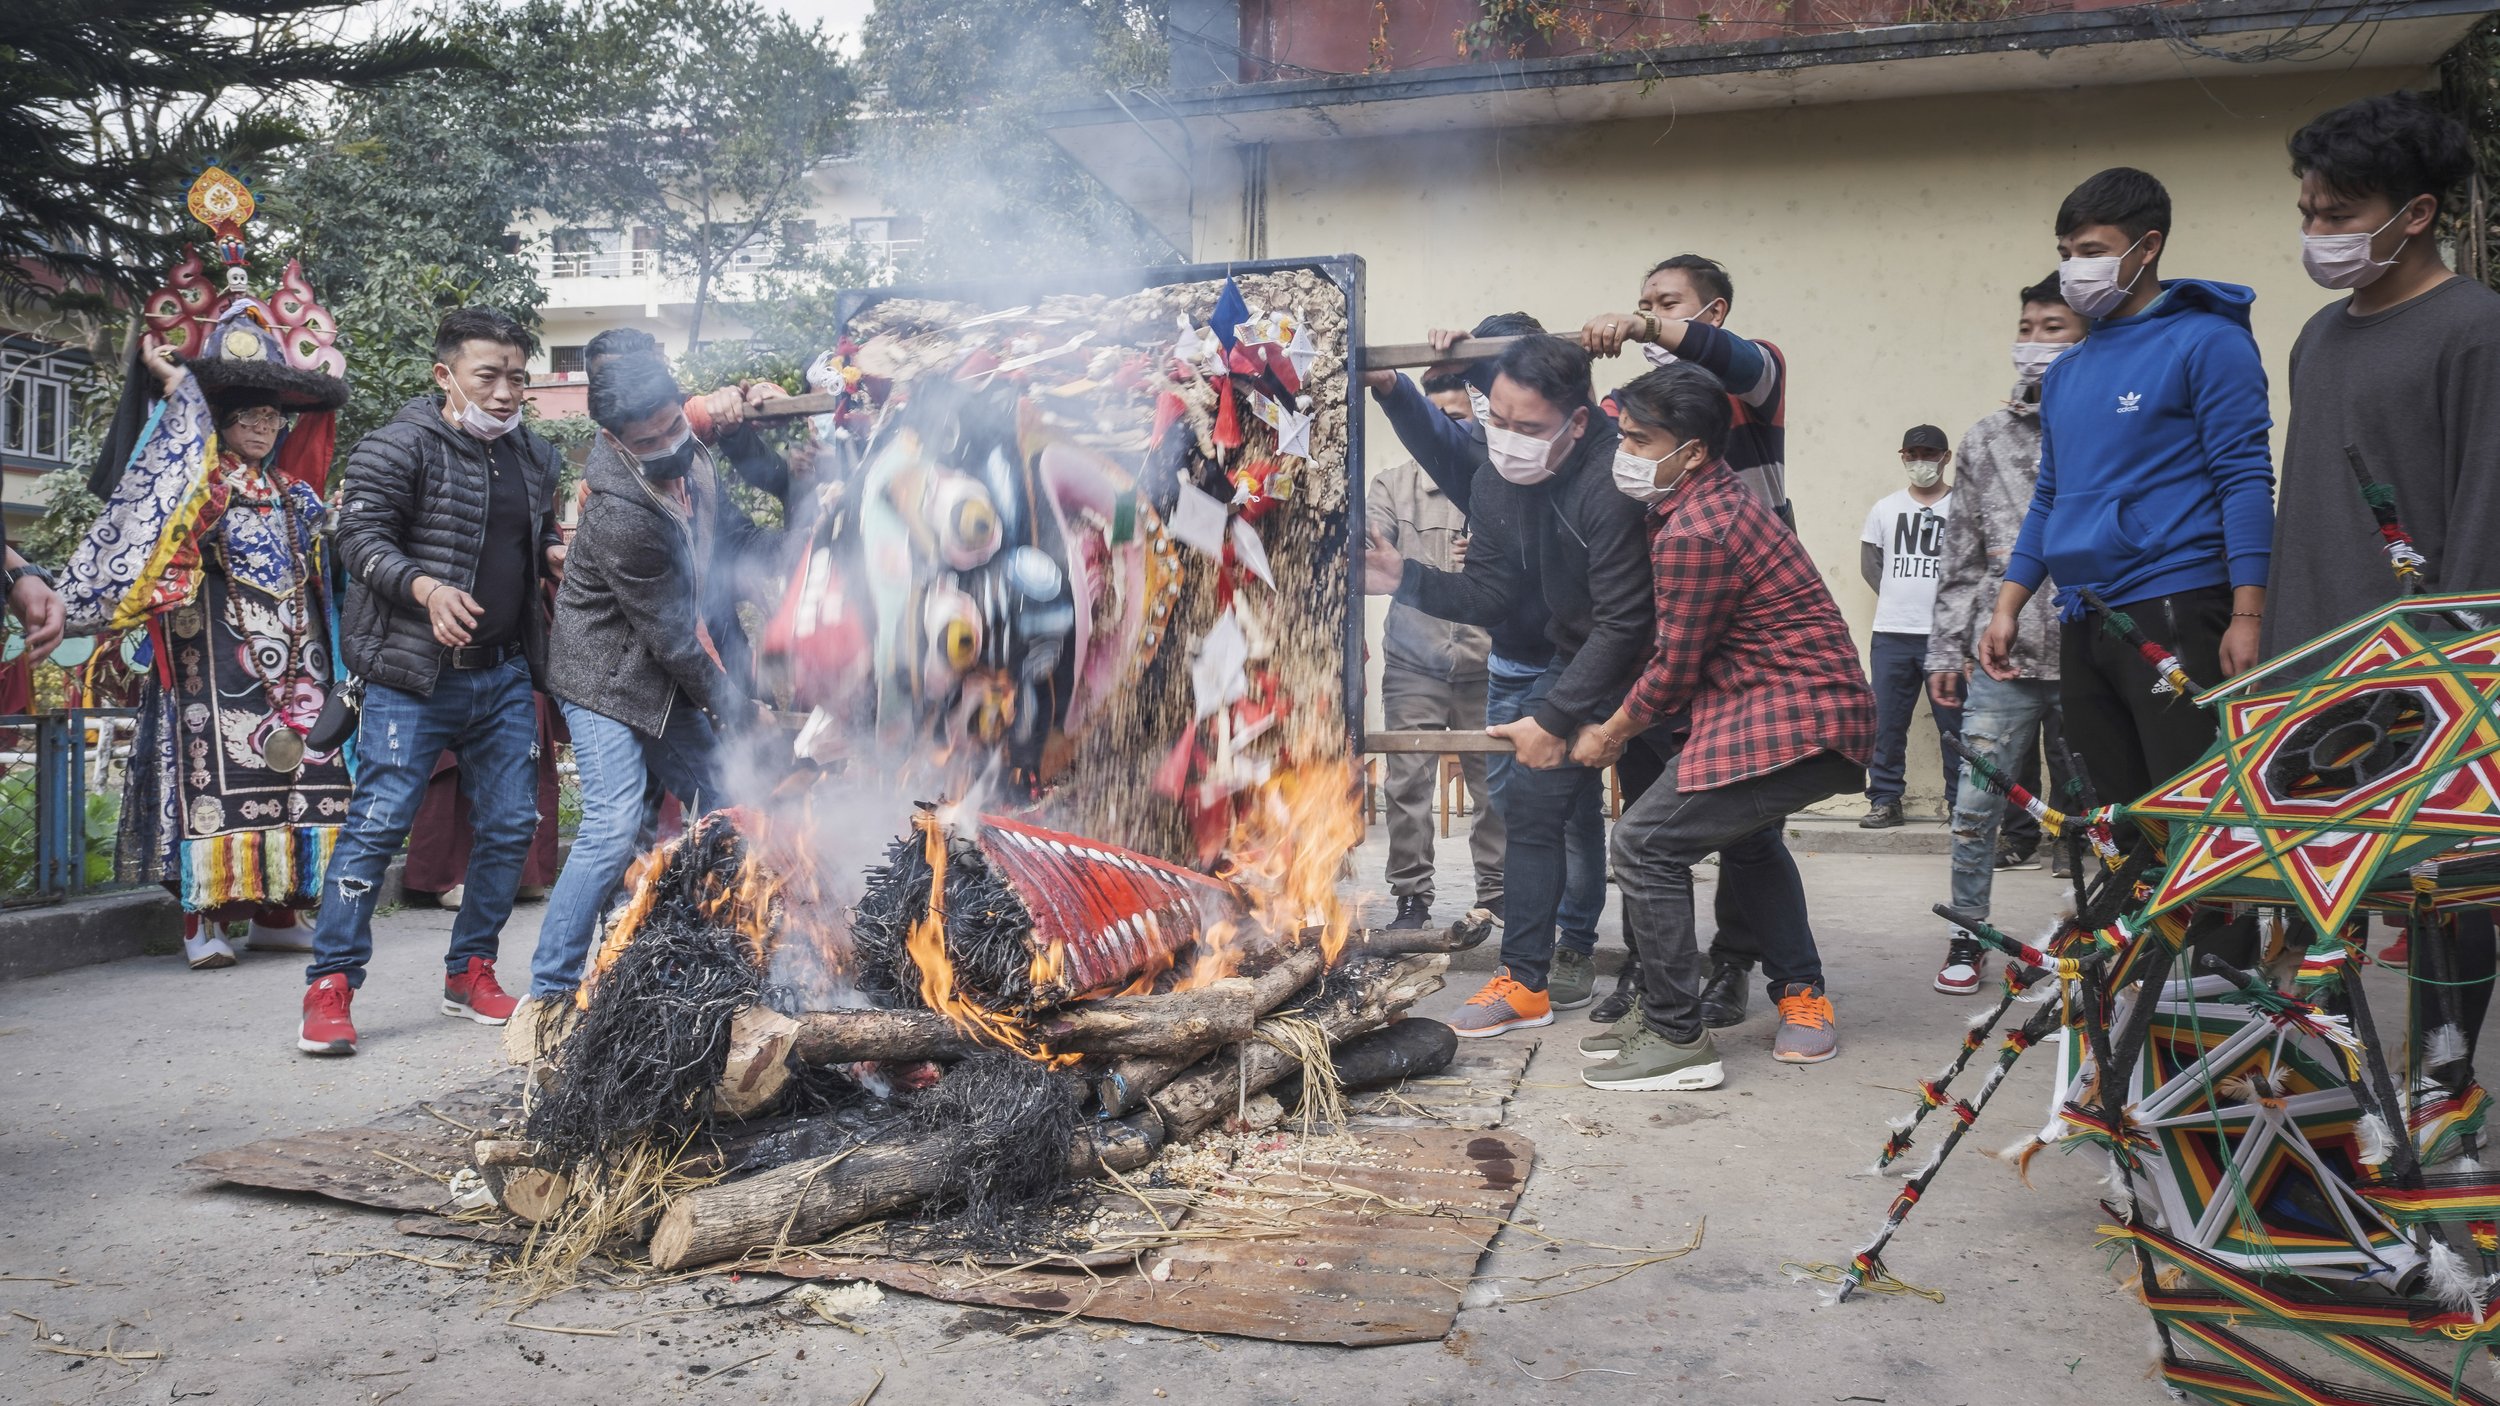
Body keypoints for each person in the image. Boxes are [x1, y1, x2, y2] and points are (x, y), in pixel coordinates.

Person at [1571, 362, 1875, 1089]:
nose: (1628, 454)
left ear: (1696, 450)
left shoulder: (1698, 530)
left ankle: (1678, 1038)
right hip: (1761, 706)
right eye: (1624, 437)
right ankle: (1668, 1013)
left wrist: (1608, 730)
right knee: (1695, 839)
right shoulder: (1697, 504)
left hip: (1799, 719)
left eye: (1643, 440)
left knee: (1644, 845)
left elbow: (1675, 666)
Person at [2270, 92, 2500, 1017]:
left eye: (2338, 216)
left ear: (2416, 216)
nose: (2317, 233)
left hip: (2429, 669)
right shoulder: (2318, 337)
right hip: (2311, 664)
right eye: (2308, 215)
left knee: (2446, 888)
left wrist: (2464, 662)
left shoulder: (2478, 329)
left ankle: (2449, 1095)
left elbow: (2487, 504)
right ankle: (2324, 1080)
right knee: (2314, 899)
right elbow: (2308, 508)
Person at [298, 307, 565, 1056]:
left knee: (513, 823)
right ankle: (331, 984)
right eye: (490, 375)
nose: (508, 390)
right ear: (445, 374)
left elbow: (529, 535)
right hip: (410, 677)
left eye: (518, 375)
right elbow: (357, 537)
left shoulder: (537, 457)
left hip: (505, 673)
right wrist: (424, 588)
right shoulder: (397, 446)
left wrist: (548, 558)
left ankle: (470, 970)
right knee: (381, 821)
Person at [1362, 335, 1645, 1034]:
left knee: (1657, 833)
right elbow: (1489, 593)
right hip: (1574, 652)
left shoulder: (1614, 481)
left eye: (1531, 429)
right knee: (1534, 808)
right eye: (1501, 424)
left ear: (1577, 422)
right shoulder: (1493, 477)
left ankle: (1759, 983)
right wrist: (1408, 579)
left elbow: (1624, 622)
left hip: (1658, 661)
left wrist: (1553, 717)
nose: (1510, 442)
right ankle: (1524, 982)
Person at [60, 312, 354, 971]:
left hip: (298, 657)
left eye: (272, 416)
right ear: (219, 420)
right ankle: (203, 918)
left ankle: (282, 910)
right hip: (213, 658)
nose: (261, 426)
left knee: (305, 774)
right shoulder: (199, 486)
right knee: (208, 781)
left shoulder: (294, 493)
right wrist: (172, 385)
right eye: (247, 414)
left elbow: (337, 542)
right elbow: (162, 513)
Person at [1980, 168, 2275, 813]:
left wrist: (2249, 614)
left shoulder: (2209, 342)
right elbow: (2051, 496)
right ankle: (2133, 919)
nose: (2073, 270)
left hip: (2176, 602)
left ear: (2148, 247)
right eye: (2066, 255)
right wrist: (2008, 605)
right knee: (2120, 819)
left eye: (2092, 252)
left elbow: (2246, 477)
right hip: (2083, 614)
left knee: (2191, 816)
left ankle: (2210, 922)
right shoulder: (2067, 371)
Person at [1579, 253, 1805, 1026]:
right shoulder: (1633, 409)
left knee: (1745, 827)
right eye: (1640, 302)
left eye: (1664, 303)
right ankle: (1650, 965)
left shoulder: (1756, 381)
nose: (1644, 315)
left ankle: (1738, 966)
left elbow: (1738, 359)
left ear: (1710, 314)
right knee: (1646, 816)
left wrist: (1645, 328)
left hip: (1748, 645)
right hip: (1662, 626)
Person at [531, 352, 756, 1003]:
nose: (664, 447)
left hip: (658, 676)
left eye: (669, 429)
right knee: (610, 822)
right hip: (602, 681)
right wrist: (740, 709)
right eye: (645, 441)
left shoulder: (695, 465)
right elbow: (673, 640)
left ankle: (693, 948)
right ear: (612, 439)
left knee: (728, 796)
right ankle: (550, 990)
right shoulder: (619, 515)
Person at [1928, 275, 2088, 995]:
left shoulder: (2112, 422)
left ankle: (2102, 937)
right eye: (2028, 326)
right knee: (1975, 807)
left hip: (2095, 651)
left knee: (2100, 812)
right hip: (2005, 654)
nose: (2036, 341)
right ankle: (1970, 936)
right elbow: (1959, 554)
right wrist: (1944, 648)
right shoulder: (1986, 439)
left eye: (2054, 327)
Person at [1368, 371, 1503, 932]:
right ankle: (1411, 898)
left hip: (1489, 664)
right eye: (1439, 419)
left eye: (1461, 418)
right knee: (1407, 784)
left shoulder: (1498, 481)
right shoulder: (1391, 485)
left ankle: (1497, 895)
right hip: (1413, 662)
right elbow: (1371, 545)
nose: (1450, 430)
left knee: (1495, 787)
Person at [1577, 253, 1790, 520]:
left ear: (1715, 312)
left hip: (1754, 550)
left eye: (1668, 305)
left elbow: (1730, 355)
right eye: (1644, 309)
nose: (1651, 316)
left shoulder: (1758, 374)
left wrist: (1648, 326)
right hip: (1680, 551)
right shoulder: (1629, 403)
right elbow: (1592, 441)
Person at [1857, 425, 1960, 829]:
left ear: (1945, 457)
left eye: (1929, 454)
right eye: (1912, 454)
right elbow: (1871, 564)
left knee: (1955, 725)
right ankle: (1885, 800)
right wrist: (1901, 596)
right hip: (1893, 633)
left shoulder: (1963, 507)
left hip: (1947, 637)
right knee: (1886, 722)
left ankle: (1960, 805)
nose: (1920, 462)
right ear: (1903, 457)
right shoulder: (1885, 508)